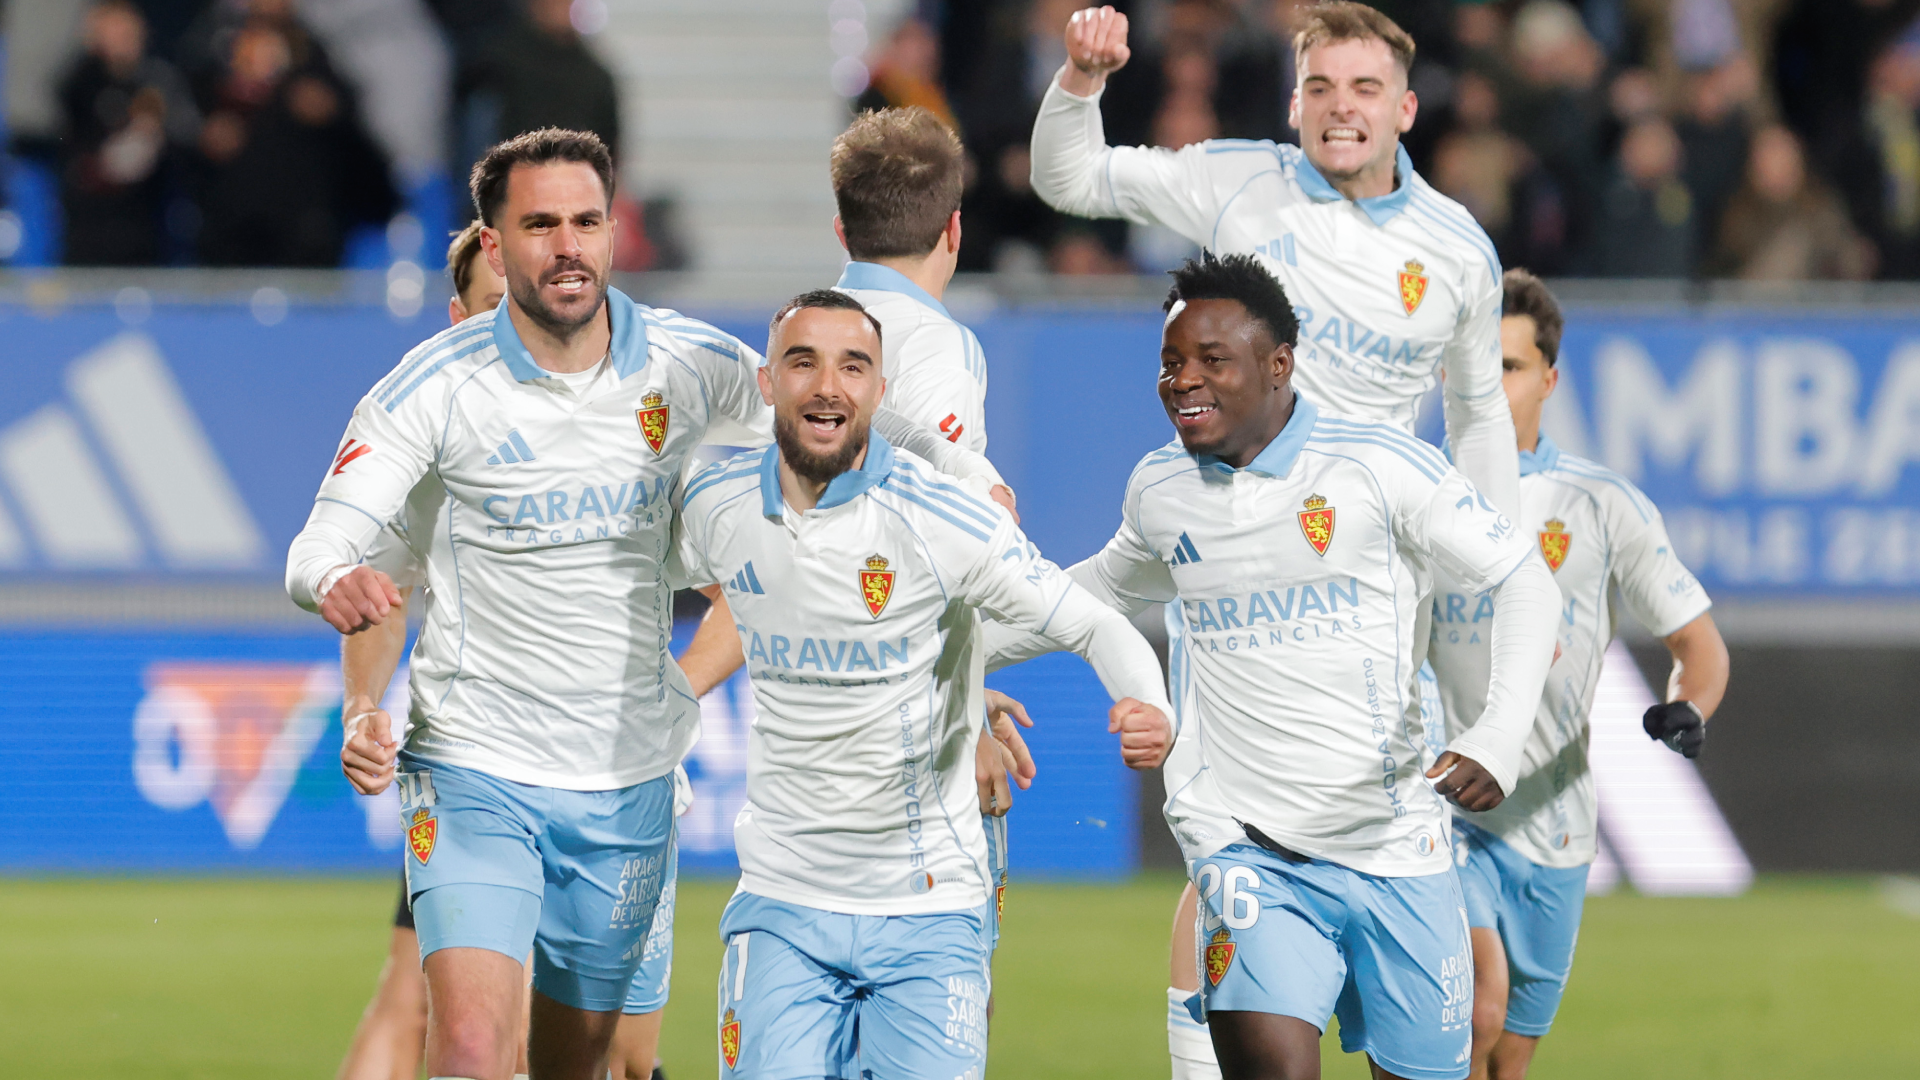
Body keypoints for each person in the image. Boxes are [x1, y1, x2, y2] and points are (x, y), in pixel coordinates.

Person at [287, 127, 1010, 1080]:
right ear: (495, 246)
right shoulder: (434, 387)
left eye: (586, 221)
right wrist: (330, 577)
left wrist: (964, 478)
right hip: (474, 765)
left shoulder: (683, 364)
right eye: (540, 225)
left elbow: (825, 410)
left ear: (613, 232)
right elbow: (326, 537)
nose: (567, 245)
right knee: (468, 1046)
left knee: (578, 1065)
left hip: (626, 784)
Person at [1027, 6, 1527, 1070]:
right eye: (1321, 88)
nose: (1341, 109)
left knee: (1382, 827)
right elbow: (1072, 181)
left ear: (1405, 107)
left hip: (1380, 577)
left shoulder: (1455, 254)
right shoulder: (1235, 182)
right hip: (1242, 552)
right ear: (1293, 101)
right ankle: (1202, 1058)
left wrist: (1480, 569)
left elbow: (1480, 414)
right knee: (1229, 834)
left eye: (1363, 89)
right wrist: (1080, 81)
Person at [984, 253, 1559, 1080]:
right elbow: (1092, 594)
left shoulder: (1376, 468)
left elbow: (1523, 579)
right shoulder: (1161, 490)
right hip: (1256, 856)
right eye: (1170, 362)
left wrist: (1499, 738)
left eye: (1211, 360)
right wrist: (949, 654)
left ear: (1278, 364)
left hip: (1398, 848)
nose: (1183, 381)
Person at [670, 289, 1174, 1079]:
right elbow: (619, 574)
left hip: (929, 907)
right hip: (783, 902)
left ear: (877, 389)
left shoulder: (943, 516)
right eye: (803, 363)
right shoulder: (714, 504)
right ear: (768, 384)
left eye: (853, 366)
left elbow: (1092, 623)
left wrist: (1146, 699)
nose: (828, 384)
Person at [1429, 270, 1729, 1080]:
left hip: (1557, 818)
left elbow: (1698, 646)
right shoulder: (1414, 495)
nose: (1489, 386)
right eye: (1475, 365)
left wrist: (1686, 707)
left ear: (1548, 380)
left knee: (1511, 1054)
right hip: (1442, 807)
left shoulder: (1601, 504)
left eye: (1511, 367)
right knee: (1477, 1006)